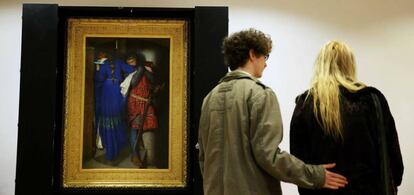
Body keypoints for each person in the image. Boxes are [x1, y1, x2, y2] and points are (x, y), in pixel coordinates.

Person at [197, 29, 348, 195]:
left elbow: (204, 157)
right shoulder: (260, 94)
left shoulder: (210, 98)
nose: (266, 63)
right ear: (253, 54)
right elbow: (269, 156)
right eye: (265, 56)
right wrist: (315, 175)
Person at [290, 40, 404, 194]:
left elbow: (299, 163)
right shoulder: (372, 99)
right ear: (350, 64)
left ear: (320, 64)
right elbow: (393, 155)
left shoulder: (307, 104)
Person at [121, 53, 163, 168]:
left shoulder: (145, 69)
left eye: (132, 59)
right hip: (134, 102)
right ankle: (135, 155)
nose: (131, 62)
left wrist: (154, 89)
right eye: (128, 61)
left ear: (137, 59)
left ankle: (139, 143)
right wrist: (140, 69)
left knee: (145, 126)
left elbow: (153, 81)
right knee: (134, 129)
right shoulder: (129, 71)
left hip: (145, 102)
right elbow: (133, 82)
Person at [94, 50, 135, 161]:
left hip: (106, 92)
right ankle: (117, 148)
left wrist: (97, 70)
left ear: (106, 56)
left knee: (107, 118)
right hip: (116, 90)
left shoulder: (102, 64)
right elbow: (132, 70)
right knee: (116, 118)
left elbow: (98, 79)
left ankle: (110, 151)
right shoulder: (120, 62)